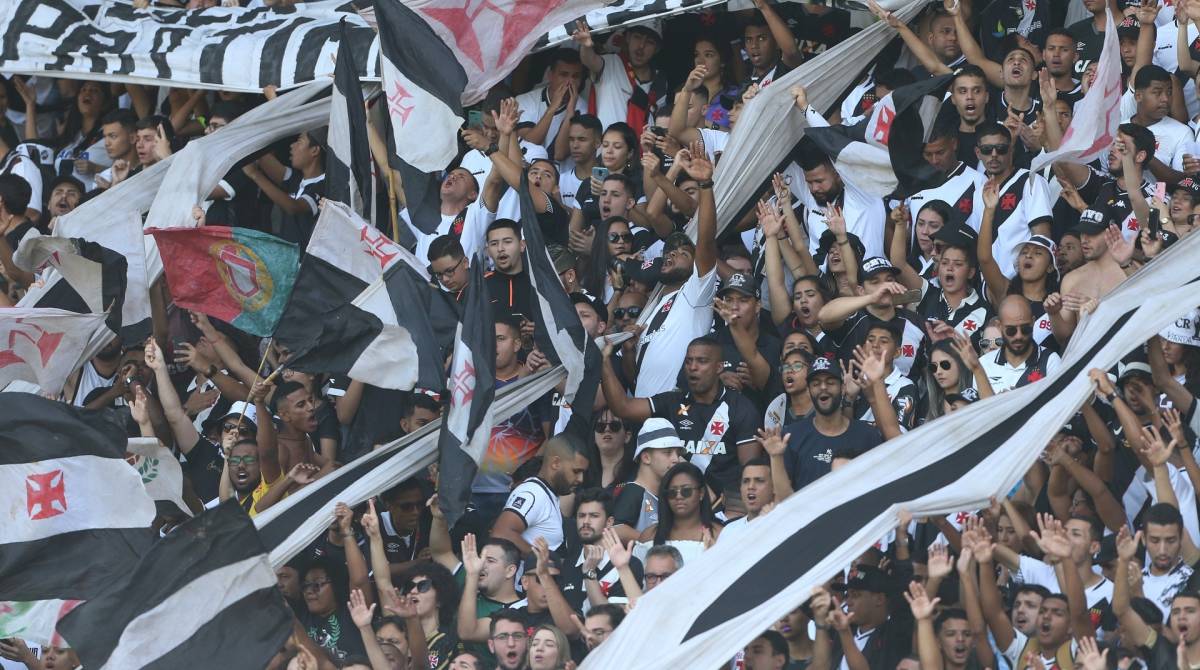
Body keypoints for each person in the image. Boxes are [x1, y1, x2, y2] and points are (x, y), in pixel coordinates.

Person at [602, 335, 761, 514]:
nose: (693, 367)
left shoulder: (741, 408)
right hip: (676, 509)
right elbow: (623, 408)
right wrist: (605, 361)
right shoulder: (672, 402)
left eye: (702, 361)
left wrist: (731, 516)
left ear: (718, 367)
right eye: (688, 361)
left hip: (722, 512)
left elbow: (750, 472)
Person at [770, 355, 884, 497]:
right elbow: (783, 498)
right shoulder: (791, 436)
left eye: (830, 382)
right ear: (809, 390)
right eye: (816, 384)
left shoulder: (867, 435)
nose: (823, 387)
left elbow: (879, 488)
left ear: (842, 388)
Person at [491, 435, 589, 554]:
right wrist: (542, 561)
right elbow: (501, 533)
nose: (581, 479)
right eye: (576, 471)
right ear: (556, 463)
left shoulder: (545, 494)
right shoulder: (533, 493)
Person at [572, 22, 667, 133]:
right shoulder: (610, 63)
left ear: (656, 49)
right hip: (606, 148)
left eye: (649, 42)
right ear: (627, 38)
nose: (641, 46)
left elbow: (660, 121)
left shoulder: (659, 80)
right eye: (637, 37)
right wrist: (586, 46)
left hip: (642, 149)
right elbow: (589, 60)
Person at [610, 418, 685, 543]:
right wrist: (655, 541)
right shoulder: (633, 491)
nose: (676, 459)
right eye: (667, 452)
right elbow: (617, 529)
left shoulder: (667, 495)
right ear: (646, 457)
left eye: (677, 453)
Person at [980, 295, 1061, 393]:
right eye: (1011, 330)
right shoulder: (983, 364)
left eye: (1025, 329)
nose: (1019, 336)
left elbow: (1058, 404)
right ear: (999, 326)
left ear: (1033, 322)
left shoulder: (1050, 360)